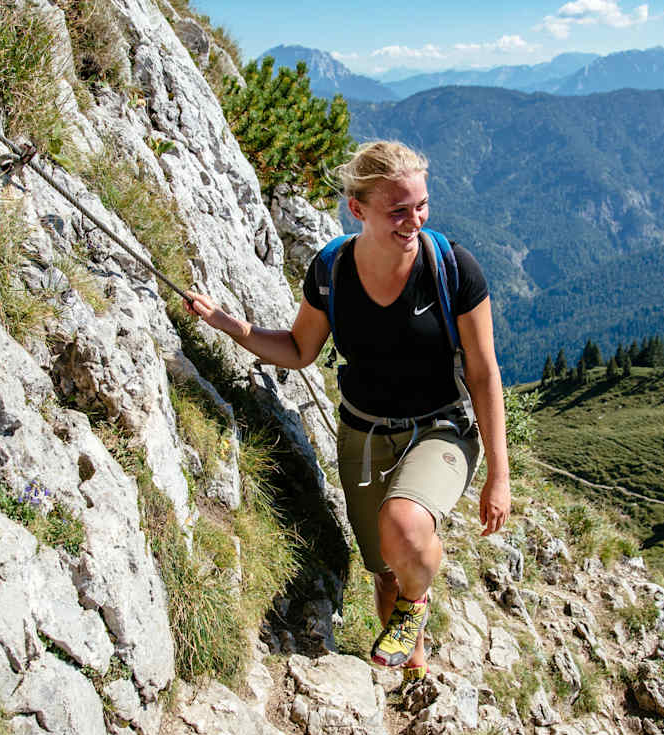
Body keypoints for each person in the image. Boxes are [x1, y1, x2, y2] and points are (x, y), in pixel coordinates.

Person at [184, 140, 510, 680]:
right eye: (398, 210)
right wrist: (230, 326)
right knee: (384, 571)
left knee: (404, 528)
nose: (414, 221)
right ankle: (414, 675)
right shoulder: (332, 270)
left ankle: (419, 599)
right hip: (361, 433)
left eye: (422, 205)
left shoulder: (451, 268)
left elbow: (483, 371)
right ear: (358, 209)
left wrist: (498, 473)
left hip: (441, 429)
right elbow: (299, 349)